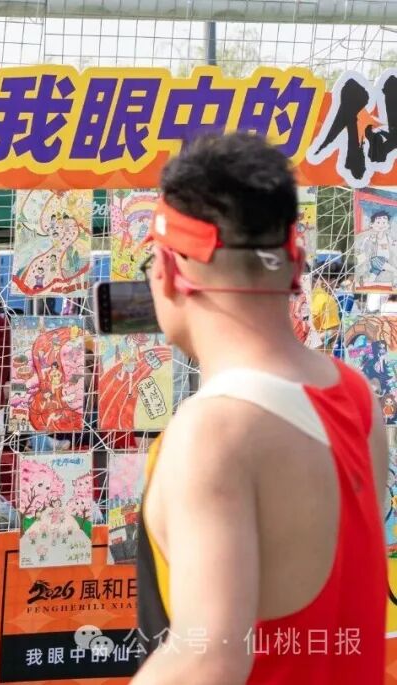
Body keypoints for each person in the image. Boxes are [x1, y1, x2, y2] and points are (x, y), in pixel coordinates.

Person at [133, 133, 386, 684]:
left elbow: (208, 659)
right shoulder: (357, 397)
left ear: (168, 271)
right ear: (295, 264)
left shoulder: (214, 431)